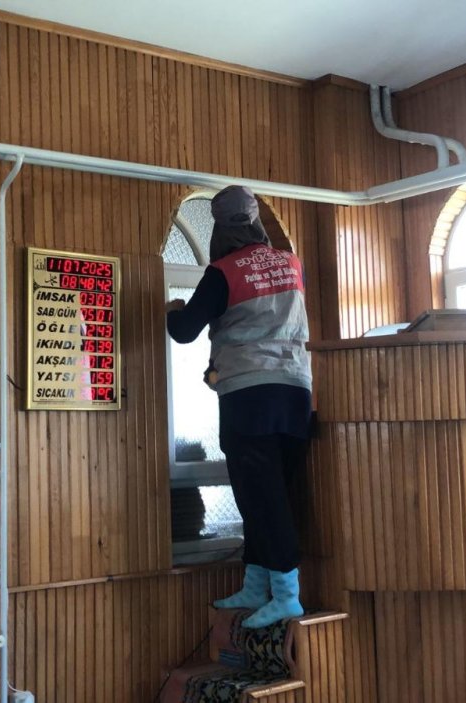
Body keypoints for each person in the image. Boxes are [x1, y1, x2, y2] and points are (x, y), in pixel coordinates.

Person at [165, 185, 312, 629]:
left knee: (260, 497)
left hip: (249, 397)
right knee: (270, 492)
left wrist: (173, 310)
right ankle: (257, 583)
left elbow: (185, 331)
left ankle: (286, 595)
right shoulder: (291, 264)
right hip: (295, 393)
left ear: (219, 226)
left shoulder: (224, 272)